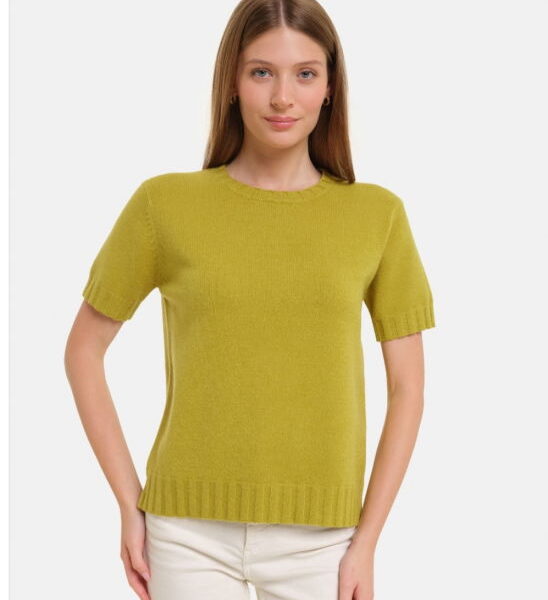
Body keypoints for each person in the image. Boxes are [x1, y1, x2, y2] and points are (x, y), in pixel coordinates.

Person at [64, 1, 436, 599]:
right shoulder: (164, 205)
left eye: (305, 74)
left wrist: (367, 541)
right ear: (232, 83)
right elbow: (84, 350)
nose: (283, 97)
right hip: (185, 535)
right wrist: (129, 504)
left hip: (324, 544)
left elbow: (408, 388)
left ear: (330, 88)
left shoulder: (378, 216)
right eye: (262, 72)